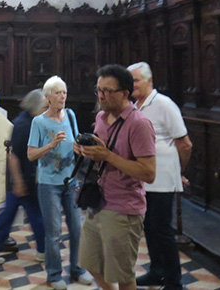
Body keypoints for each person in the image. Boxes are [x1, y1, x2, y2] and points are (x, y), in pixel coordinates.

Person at [76, 64, 156, 290]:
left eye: (107, 91)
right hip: (99, 201)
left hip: (124, 207)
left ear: (124, 93)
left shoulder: (139, 124)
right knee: (88, 261)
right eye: (98, 90)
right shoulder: (101, 117)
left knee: (122, 274)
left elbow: (149, 173)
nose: (101, 95)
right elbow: (101, 155)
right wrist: (86, 150)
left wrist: (108, 155)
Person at [127, 62, 192, 290]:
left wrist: (179, 171)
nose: (132, 85)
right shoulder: (135, 106)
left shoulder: (164, 104)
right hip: (144, 179)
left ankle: (174, 281)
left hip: (163, 179)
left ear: (149, 80)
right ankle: (157, 272)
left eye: (135, 80)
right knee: (150, 228)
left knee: (162, 229)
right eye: (130, 81)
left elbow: (184, 143)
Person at [28, 76, 94, 289]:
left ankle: (77, 269)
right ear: (48, 97)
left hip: (71, 180)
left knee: (77, 228)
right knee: (54, 232)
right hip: (48, 184)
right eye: (58, 93)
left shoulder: (71, 115)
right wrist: (50, 145)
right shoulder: (38, 122)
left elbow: (75, 141)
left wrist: (79, 148)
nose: (62, 96)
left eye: (64, 92)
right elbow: (30, 155)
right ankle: (54, 274)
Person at [0, 89, 47, 265]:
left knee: (16, 215)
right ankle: (44, 252)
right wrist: (18, 182)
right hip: (21, 179)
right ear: (35, 106)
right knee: (33, 216)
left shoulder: (31, 120)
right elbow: (13, 156)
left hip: (25, 179)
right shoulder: (23, 124)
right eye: (44, 106)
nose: (47, 110)